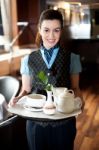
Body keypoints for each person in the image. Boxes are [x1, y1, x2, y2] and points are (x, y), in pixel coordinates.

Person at [9, 9, 84, 150]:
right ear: (39, 30)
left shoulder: (72, 58)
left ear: (61, 31)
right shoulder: (28, 60)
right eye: (46, 30)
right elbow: (26, 89)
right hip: (36, 124)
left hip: (64, 122)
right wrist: (18, 98)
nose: (51, 35)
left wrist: (80, 100)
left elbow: (75, 88)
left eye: (56, 30)